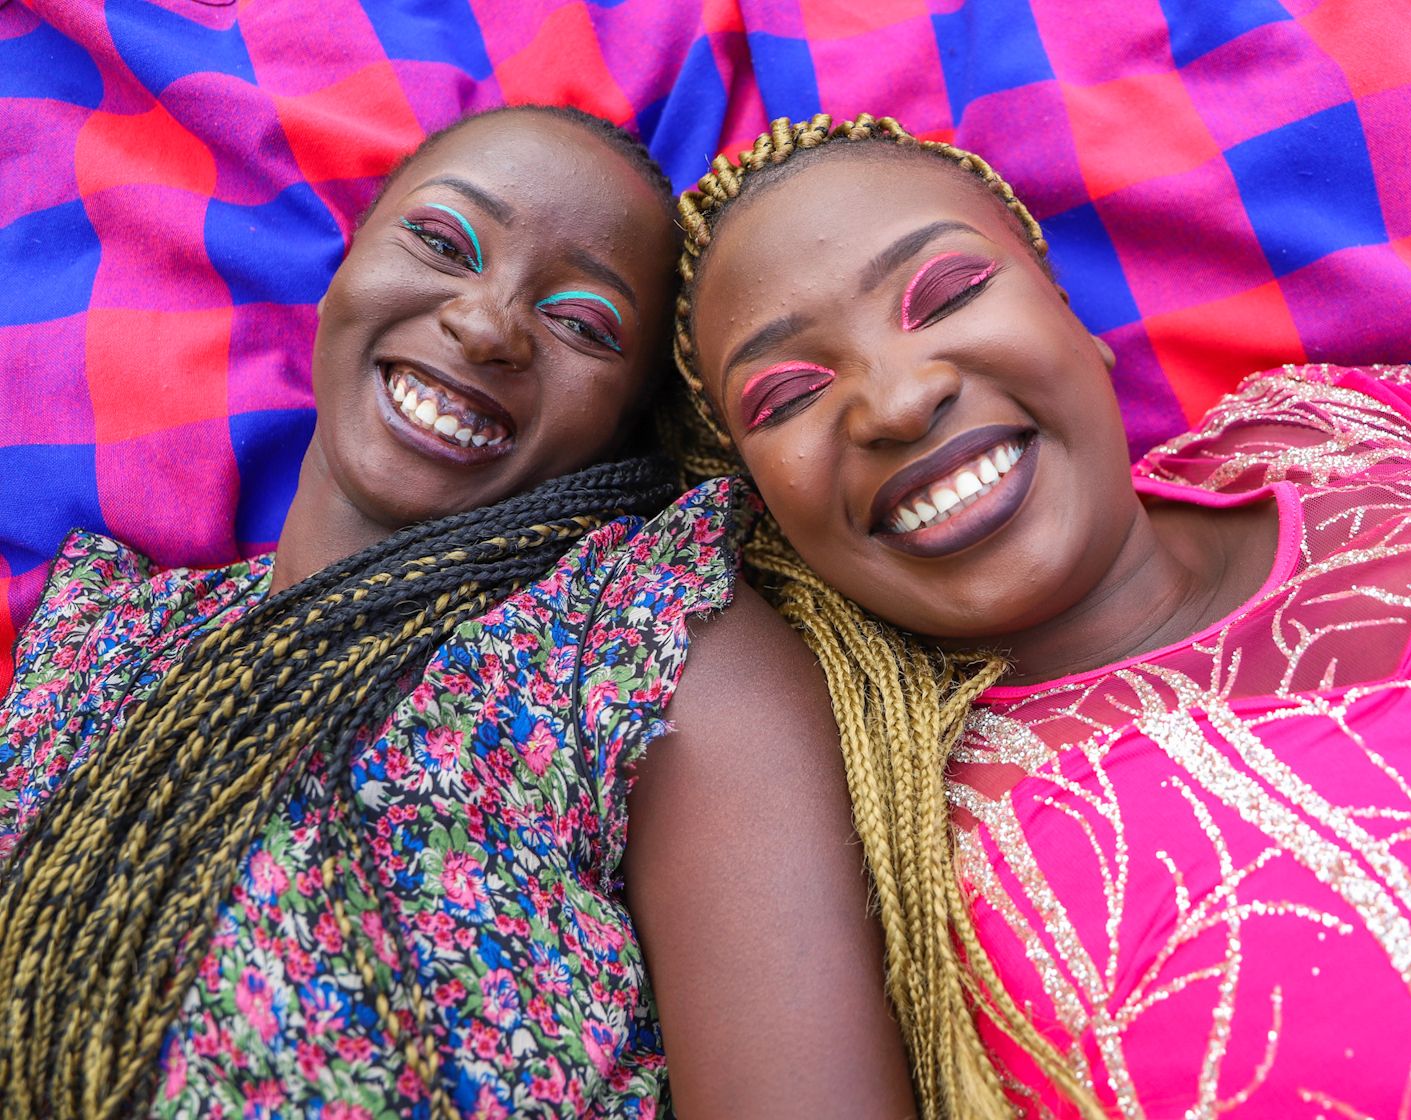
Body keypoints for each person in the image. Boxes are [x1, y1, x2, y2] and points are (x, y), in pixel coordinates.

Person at [664, 114, 1411, 1118]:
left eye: (950, 294)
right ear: (769, 512)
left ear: (1075, 321)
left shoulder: (1350, 434)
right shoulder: (870, 839)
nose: (896, 400)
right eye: (788, 395)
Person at [0, 106, 914, 1120]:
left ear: (621, 423)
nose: (486, 324)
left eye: (582, 323)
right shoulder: (100, 641)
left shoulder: (648, 639)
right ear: (347, 269)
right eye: (441, 243)